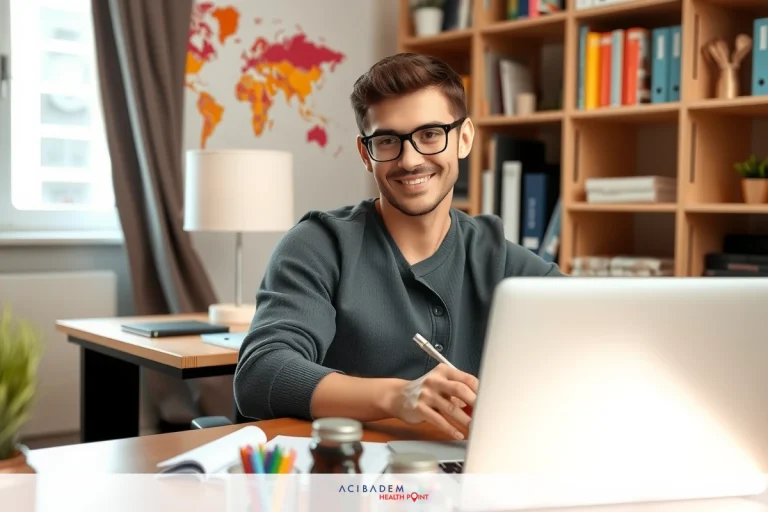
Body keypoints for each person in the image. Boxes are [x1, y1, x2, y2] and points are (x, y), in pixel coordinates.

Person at [234, 52, 565, 440]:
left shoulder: (501, 259)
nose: (410, 160)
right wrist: (399, 396)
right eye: (388, 140)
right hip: (346, 479)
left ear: (464, 138)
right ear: (365, 154)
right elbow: (261, 374)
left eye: (429, 135)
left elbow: (600, 335)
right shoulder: (318, 246)